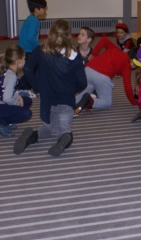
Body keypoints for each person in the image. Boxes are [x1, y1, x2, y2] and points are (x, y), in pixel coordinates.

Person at [14, 19, 87, 157]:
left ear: (50, 32)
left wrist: (38, 87)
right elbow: (82, 82)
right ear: (68, 35)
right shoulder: (74, 56)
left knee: (48, 128)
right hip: (65, 101)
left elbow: (28, 68)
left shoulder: (40, 51)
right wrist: (72, 91)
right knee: (64, 131)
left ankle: (32, 135)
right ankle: (64, 138)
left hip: (47, 101)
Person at [74, 37, 138, 113]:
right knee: (106, 102)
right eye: (135, 65)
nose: (133, 67)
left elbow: (103, 40)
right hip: (102, 77)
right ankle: (90, 101)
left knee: (86, 91)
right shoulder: (127, 64)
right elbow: (128, 87)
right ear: (133, 62)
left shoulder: (115, 49)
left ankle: (69, 102)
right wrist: (134, 102)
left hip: (88, 69)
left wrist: (93, 54)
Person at [0, 44, 32, 137]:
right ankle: (2, 123)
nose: (25, 61)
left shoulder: (9, 71)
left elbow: (9, 91)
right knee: (26, 113)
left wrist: (18, 97)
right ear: (18, 61)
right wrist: (17, 103)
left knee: (27, 101)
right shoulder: (12, 76)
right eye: (24, 58)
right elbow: (7, 98)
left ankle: (3, 120)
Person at [16, 0, 48, 94]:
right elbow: (30, 38)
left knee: (32, 70)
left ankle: (21, 87)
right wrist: (39, 47)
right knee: (32, 70)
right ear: (36, 9)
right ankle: (21, 88)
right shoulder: (34, 21)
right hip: (28, 50)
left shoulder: (30, 19)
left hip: (24, 48)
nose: (45, 11)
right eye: (43, 8)